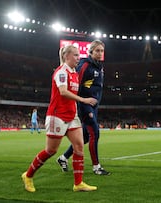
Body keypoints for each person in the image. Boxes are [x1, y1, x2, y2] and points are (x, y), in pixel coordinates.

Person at [21, 45, 98, 193]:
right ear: (66, 56)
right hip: (57, 116)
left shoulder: (74, 73)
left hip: (71, 116)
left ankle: (78, 183)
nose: (78, 58)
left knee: (79, 146)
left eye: (78, 55)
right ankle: (28, 175)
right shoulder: (61, 72)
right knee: (51, 150)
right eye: (75, 55)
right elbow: (63, 92)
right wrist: (83, 100)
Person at [57, 40, 110, 175]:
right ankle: (96, 167)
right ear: (91, 52)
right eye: (97, 51)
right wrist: (79, 102)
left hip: (93, 105)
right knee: (95, 133)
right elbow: (76, 83)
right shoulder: (85, 65)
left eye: (102, 51)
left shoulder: (99, 67)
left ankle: (63, 158)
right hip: (84, 105)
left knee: (86, 136)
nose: (100, 53)